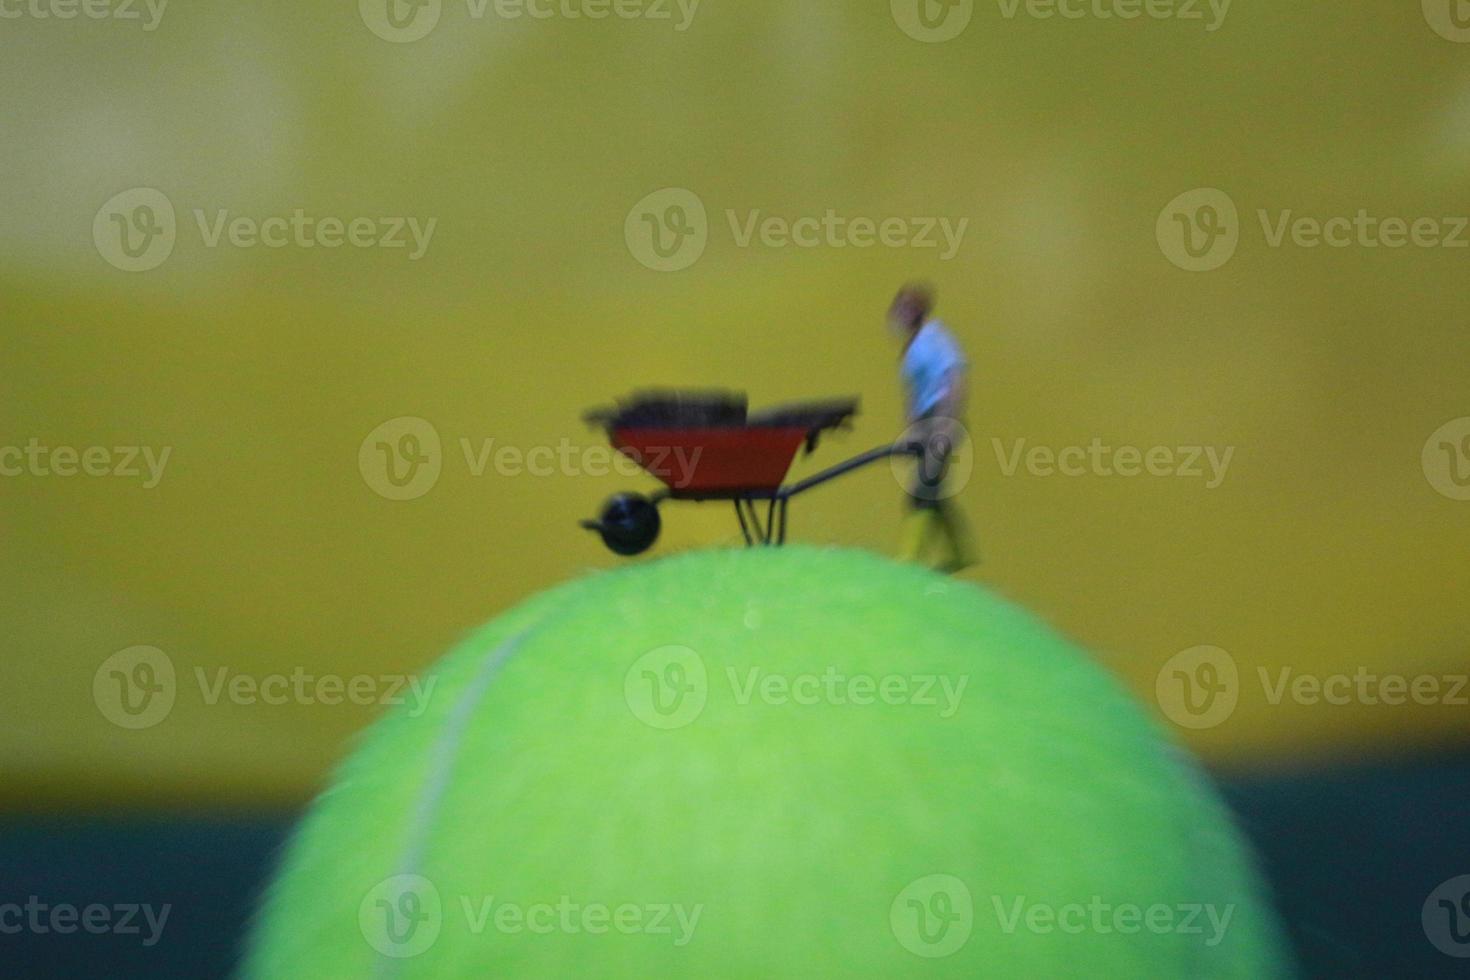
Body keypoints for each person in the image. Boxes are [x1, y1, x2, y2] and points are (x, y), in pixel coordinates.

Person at [889, 283, 976, 573]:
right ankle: (961, 551)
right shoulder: (913, 346)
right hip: (925, 422)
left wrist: (945, 426)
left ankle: (910, 560)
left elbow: (954, 377)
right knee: (932, 489)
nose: (897, 315)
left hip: (940, 418)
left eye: (904, 308)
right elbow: (914, 393)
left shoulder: (934, 338)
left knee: (922, 490)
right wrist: (911, 433)